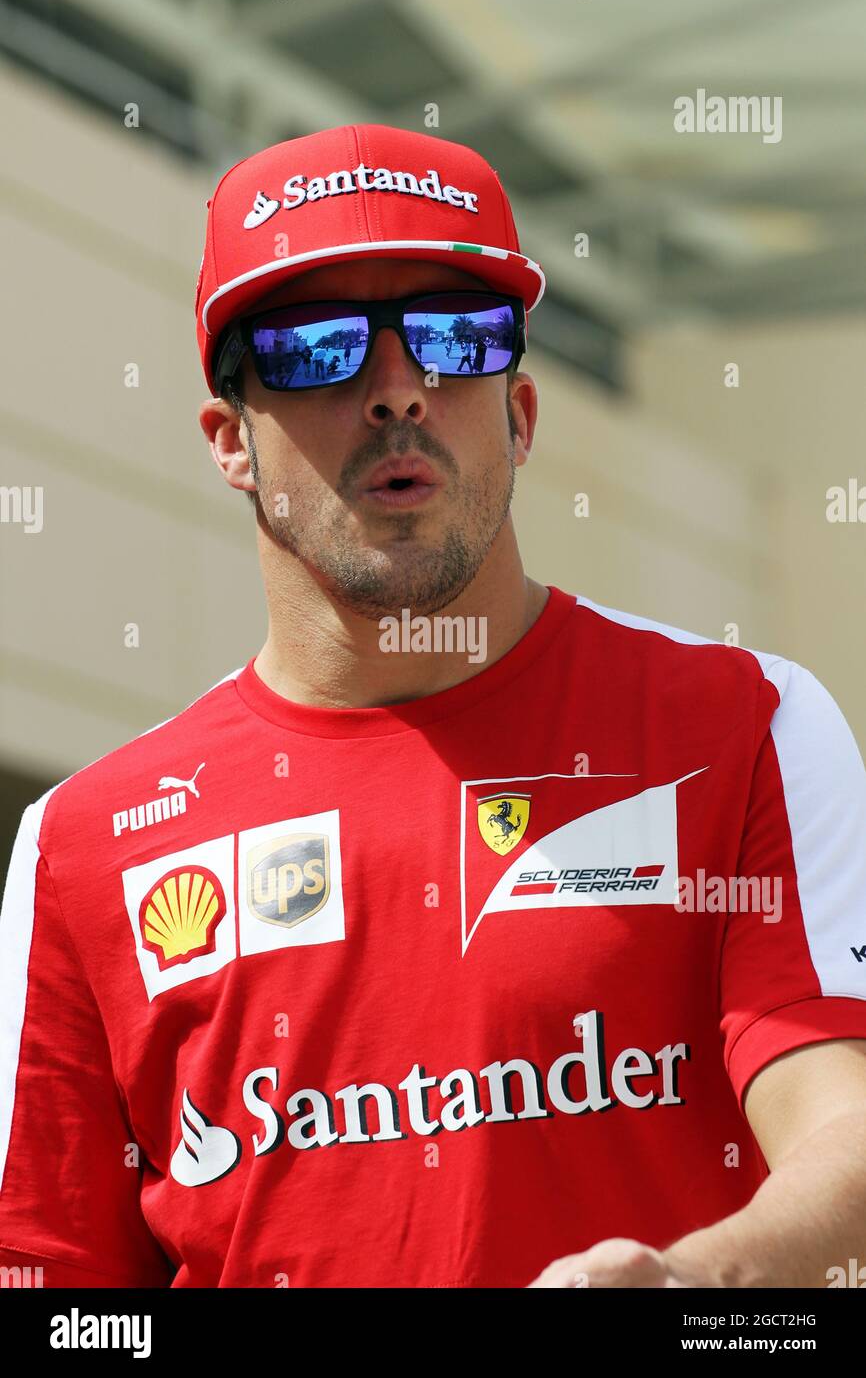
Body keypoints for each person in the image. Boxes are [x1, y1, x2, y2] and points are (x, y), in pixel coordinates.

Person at [2, 122, 866, 1292]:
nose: (399, 390)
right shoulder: (82, 846)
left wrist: (692, 1284)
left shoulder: (747, 723)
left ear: (518, 414)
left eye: (455, 337)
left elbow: (841, 1131)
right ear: (229, 444)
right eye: (317, 348)